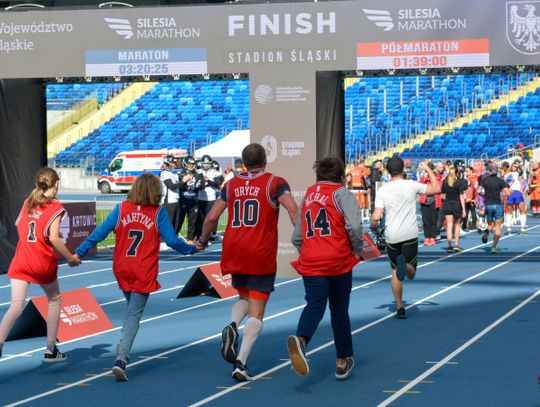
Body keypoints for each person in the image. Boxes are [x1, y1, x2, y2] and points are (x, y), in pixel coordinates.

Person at [75, 173, 199, 381]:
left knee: (131, 309)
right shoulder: (157, 212)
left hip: (122, 267)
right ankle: (121, 359)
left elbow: (100, 233)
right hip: (143, 269)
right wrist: (191, 250)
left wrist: (80, 251)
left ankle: (123, 343)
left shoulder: (121, 209)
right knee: (134, 314)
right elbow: (172, 241)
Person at [198, 143, 298, 382]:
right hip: (259, 252)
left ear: (243, 163)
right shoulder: (275, 182)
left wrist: (202, 240)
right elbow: (292, 209)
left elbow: (212, 216)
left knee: (243, 298)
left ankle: (232, 325)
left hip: (234, 250)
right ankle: (240, 363)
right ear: (265, 160)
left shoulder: (231, 184)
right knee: (257, 312)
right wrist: (303, 238)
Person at [288, 157, 363, 380]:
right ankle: (342, 359)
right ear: (341, 176)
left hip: (311, 261)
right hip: (338, 260)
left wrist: (309, 252)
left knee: (314, 304)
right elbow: (355, 226)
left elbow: (297, 236)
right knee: (339, 309)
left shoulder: (309, 194)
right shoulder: (342, 194)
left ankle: (302, 340)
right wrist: (358, 248)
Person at [0, 167, 80, 361]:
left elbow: (21, 227)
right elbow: (53, 238)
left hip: (21, 259)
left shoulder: (28, 202)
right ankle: (50, 349)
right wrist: (70, 257)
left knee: (15, 306)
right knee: (54, 299)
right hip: (41, 262)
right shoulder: (56, 207)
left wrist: (37, 237)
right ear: (56, 185)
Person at [370, 157, 440, 319]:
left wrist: (374, 225)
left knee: (394, 271)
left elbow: (376, 216)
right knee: (411, 273)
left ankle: (400, 308)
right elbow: (435, 189)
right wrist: (428, 169)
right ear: (403, 170)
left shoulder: (383, 190)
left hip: (392, 235)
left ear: (387, 171)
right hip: (409, 234)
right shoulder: (411, 185)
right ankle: (407, 265)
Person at [480, 163, 511, 254]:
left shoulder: (484, 180)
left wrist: (485, 196)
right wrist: (510, 192)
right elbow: (508, 193)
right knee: (498, 226)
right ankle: (494, 247)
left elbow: (478, 191)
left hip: (488, 205)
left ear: (488, 170)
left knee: (490, 225)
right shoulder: (500, 181)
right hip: (497, 204)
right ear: (496, 170)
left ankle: (487, 230)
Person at [177, 156, 205, 243]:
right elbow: (179, 186)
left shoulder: (198, 174)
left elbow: (202, 186)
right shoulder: (179, 173)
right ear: (185, 164)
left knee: (192, 222)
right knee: (179, 220)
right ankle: (174, 236)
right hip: (182, 200)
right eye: (189, 164)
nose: (191, 166)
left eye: (192, 164)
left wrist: (197, 185)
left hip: (194, 200)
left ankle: (190, 239)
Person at [440, 166, 467, 253]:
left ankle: (449, 246)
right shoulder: (458, 182)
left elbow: (442, 195)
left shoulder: (445, 182)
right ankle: (456, 244)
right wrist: (463, 209)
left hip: (447, 204)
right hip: (456, 204)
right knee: (457, 224)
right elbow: (461, 196)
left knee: (449, 225)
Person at [196, 154, 223, 240]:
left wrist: (208, 181)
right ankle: (200, 235)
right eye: (204, 163)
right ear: (201, 163)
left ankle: (210, 234)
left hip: (211, 197)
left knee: (210, 218)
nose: (206, 165)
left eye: (208, 163)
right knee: (200, 218)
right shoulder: (198, 172)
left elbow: (218, 184)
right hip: (200, 197)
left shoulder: (215, 172)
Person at [418, 162, 440, 246]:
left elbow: (438, 186)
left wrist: (431, 176)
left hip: (434, 200)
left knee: (433, 220)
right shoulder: (424, 177)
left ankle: (433, 237)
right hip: (424, 199)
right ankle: (427, 237)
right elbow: (420, 186)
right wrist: (424, 178)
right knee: (425, 220)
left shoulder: (437, 176)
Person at [504, 161, 528, 235]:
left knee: (522, 210)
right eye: (514, 166)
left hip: (517, 193)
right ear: (511, 167)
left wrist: (518, 166)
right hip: (511, 193)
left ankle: (522, 228)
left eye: (516, 166)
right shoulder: (509, 175)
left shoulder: (517, 174)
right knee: (509, 211)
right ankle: (509, 228)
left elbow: (522, 173)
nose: (515, 167)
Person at [160, 154, 182, 234]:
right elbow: (171, 186)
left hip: (176, 200)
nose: (174, 164)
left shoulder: (174, 174)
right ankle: (163, 241)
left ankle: (173, 240)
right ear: (168, 163)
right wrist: (184, 181)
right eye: (172, 163)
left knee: (176, 223)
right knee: (168, 223)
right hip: (168, 202)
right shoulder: (164, 173)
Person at [462, 166, 478, 231]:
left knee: (472, 211)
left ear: (471, 171)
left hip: (471, 198)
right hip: (465, 198)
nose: (466, 172)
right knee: (466, 211)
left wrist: (475, 199)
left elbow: (476, 189)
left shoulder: (474, 179)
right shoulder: (467, 178)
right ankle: (465, 225)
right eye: (466, 171)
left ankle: (473, 225)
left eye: (467, 171)